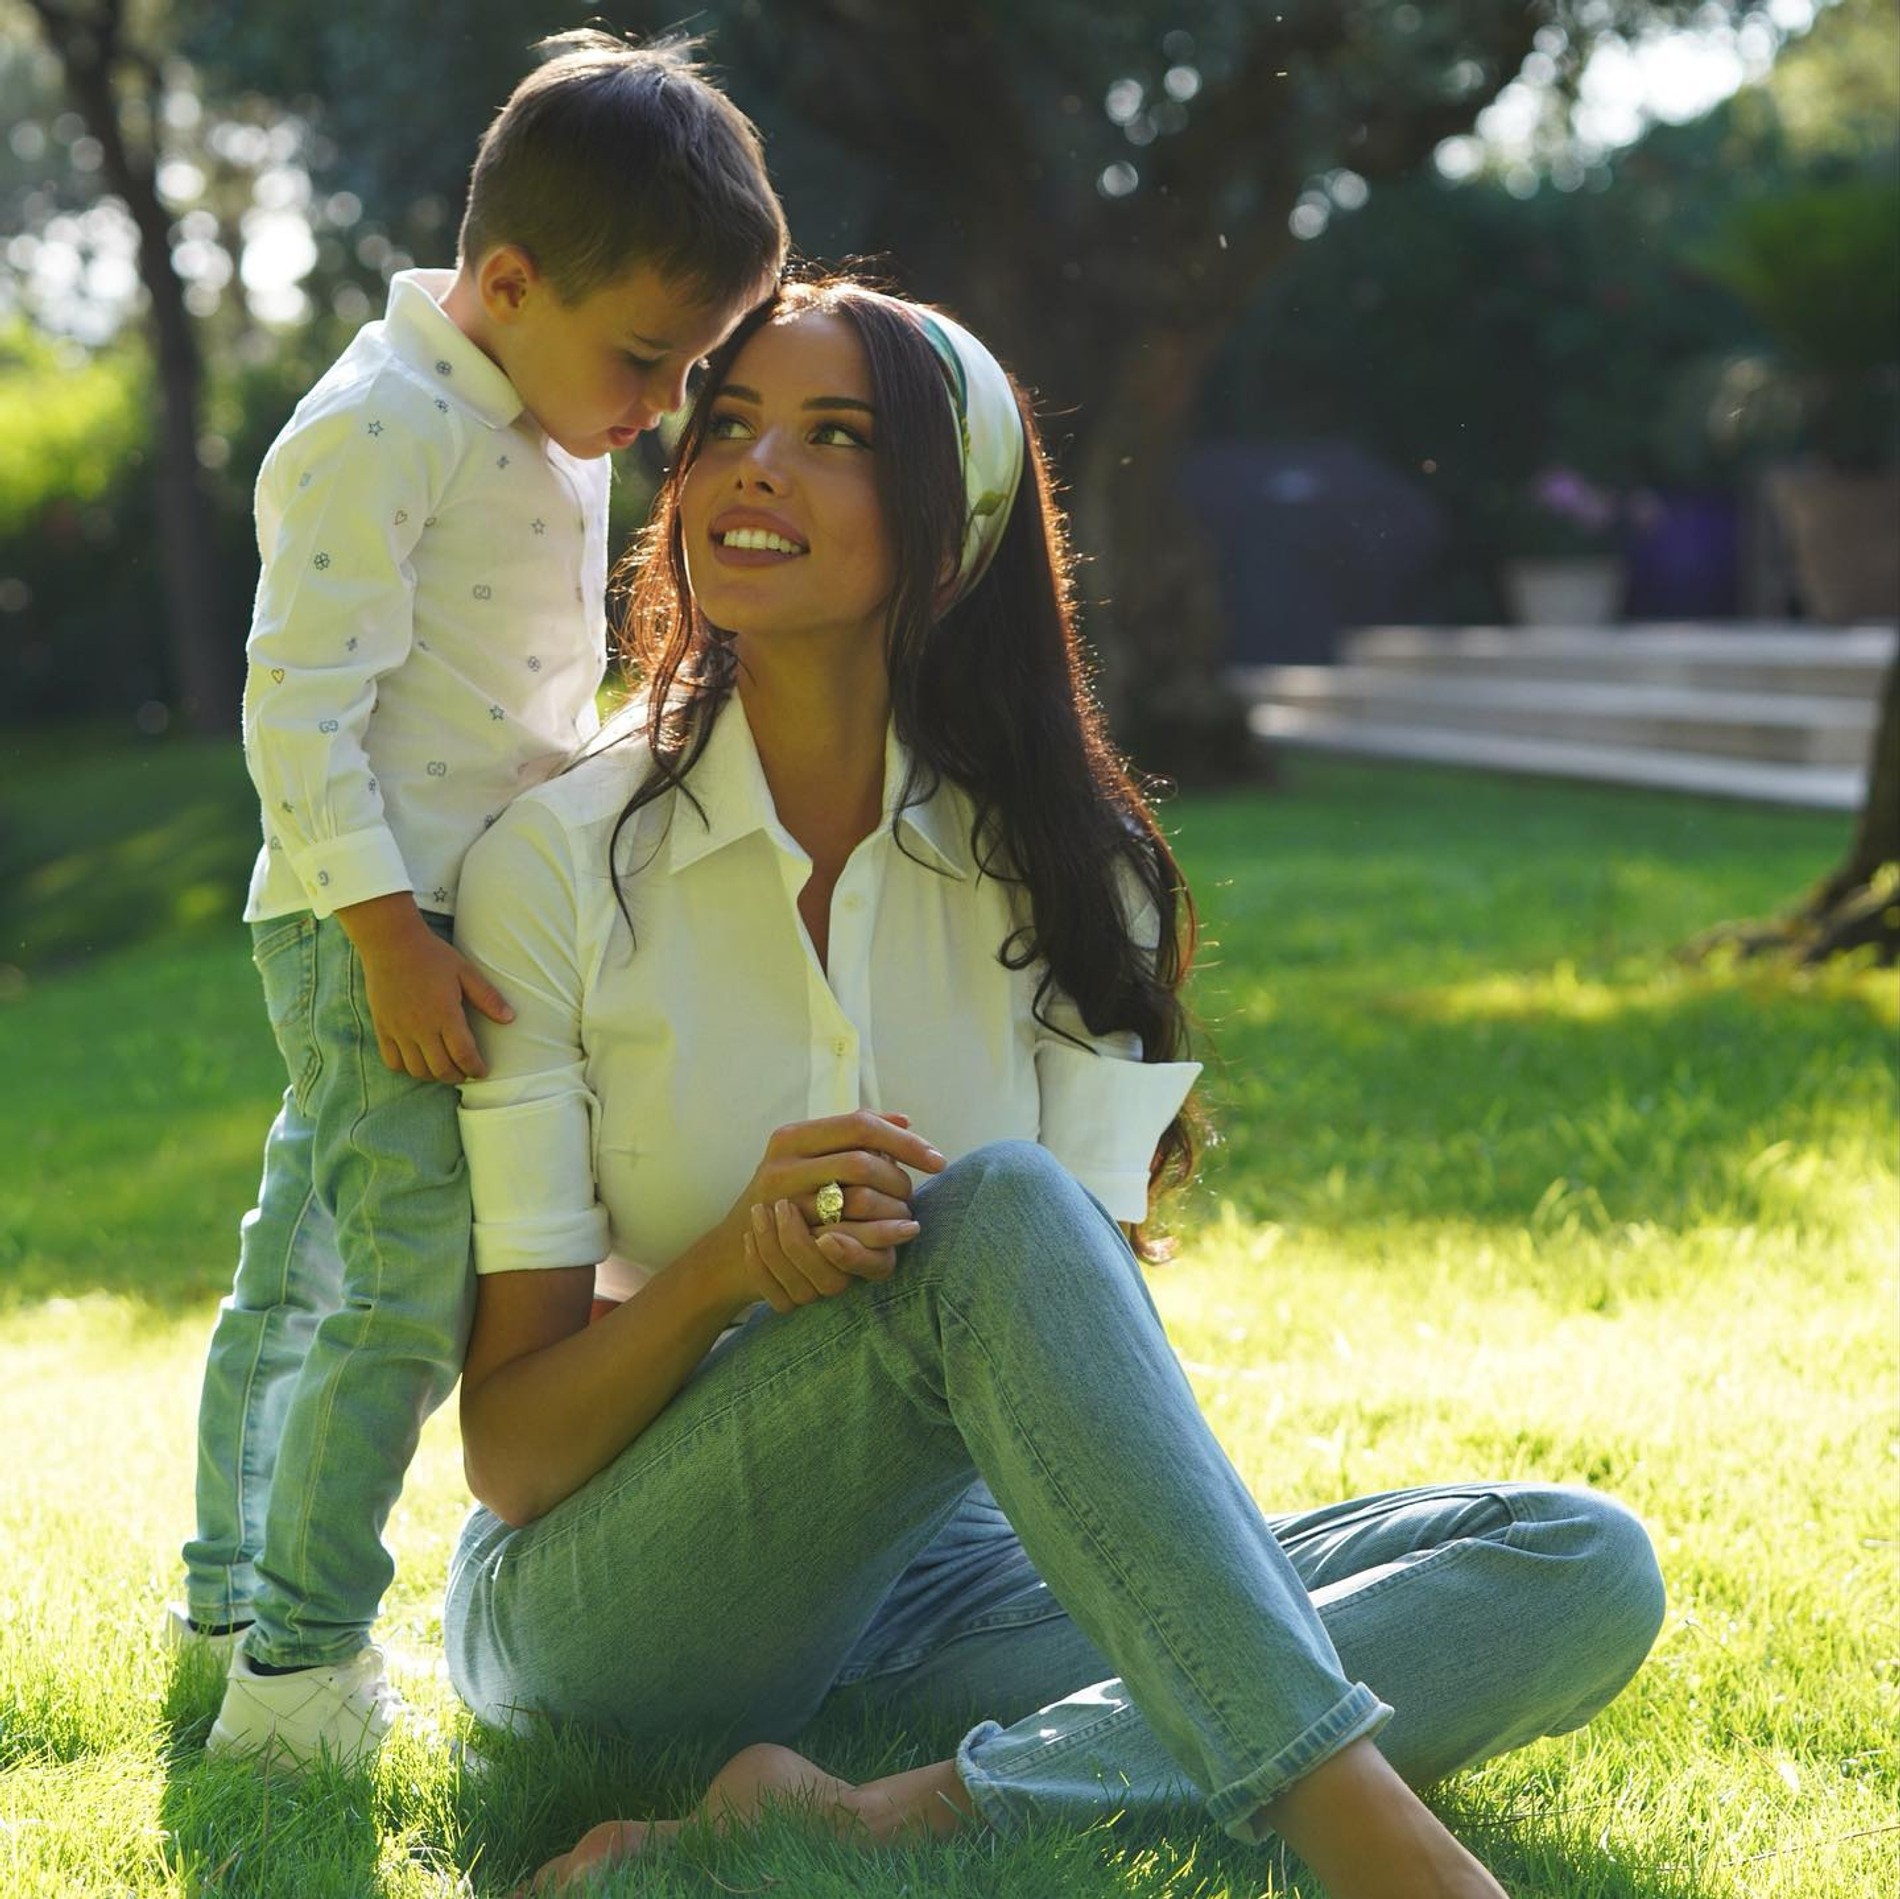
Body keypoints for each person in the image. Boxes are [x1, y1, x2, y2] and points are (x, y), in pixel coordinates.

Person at [442, 277, 1667, 1899]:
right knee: (999, 1197)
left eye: (834, 438)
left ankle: (892, 1812)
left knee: (1579, 1564)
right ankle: (1370, 1843)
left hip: (958, 1601)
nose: (751, 469)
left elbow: (1080, 1321)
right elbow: (513, 1458)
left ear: (954, 526)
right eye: (726, 427)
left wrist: (1191, 1598)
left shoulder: (1083, 880)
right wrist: (726, 1267)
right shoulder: (556, 865)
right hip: (627, 1606)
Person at [171, 31, 788, 1772]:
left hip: (458, 921)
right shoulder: (381, 425)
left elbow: (504, 695)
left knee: (301, 1264)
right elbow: (296, 708)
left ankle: (228, 1599)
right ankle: (293, 1682)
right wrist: (386, 942)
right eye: (650, 362)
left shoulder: (532, 400)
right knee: (397, 1289)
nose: (663, 410)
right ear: (507, 280)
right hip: (376, 930)